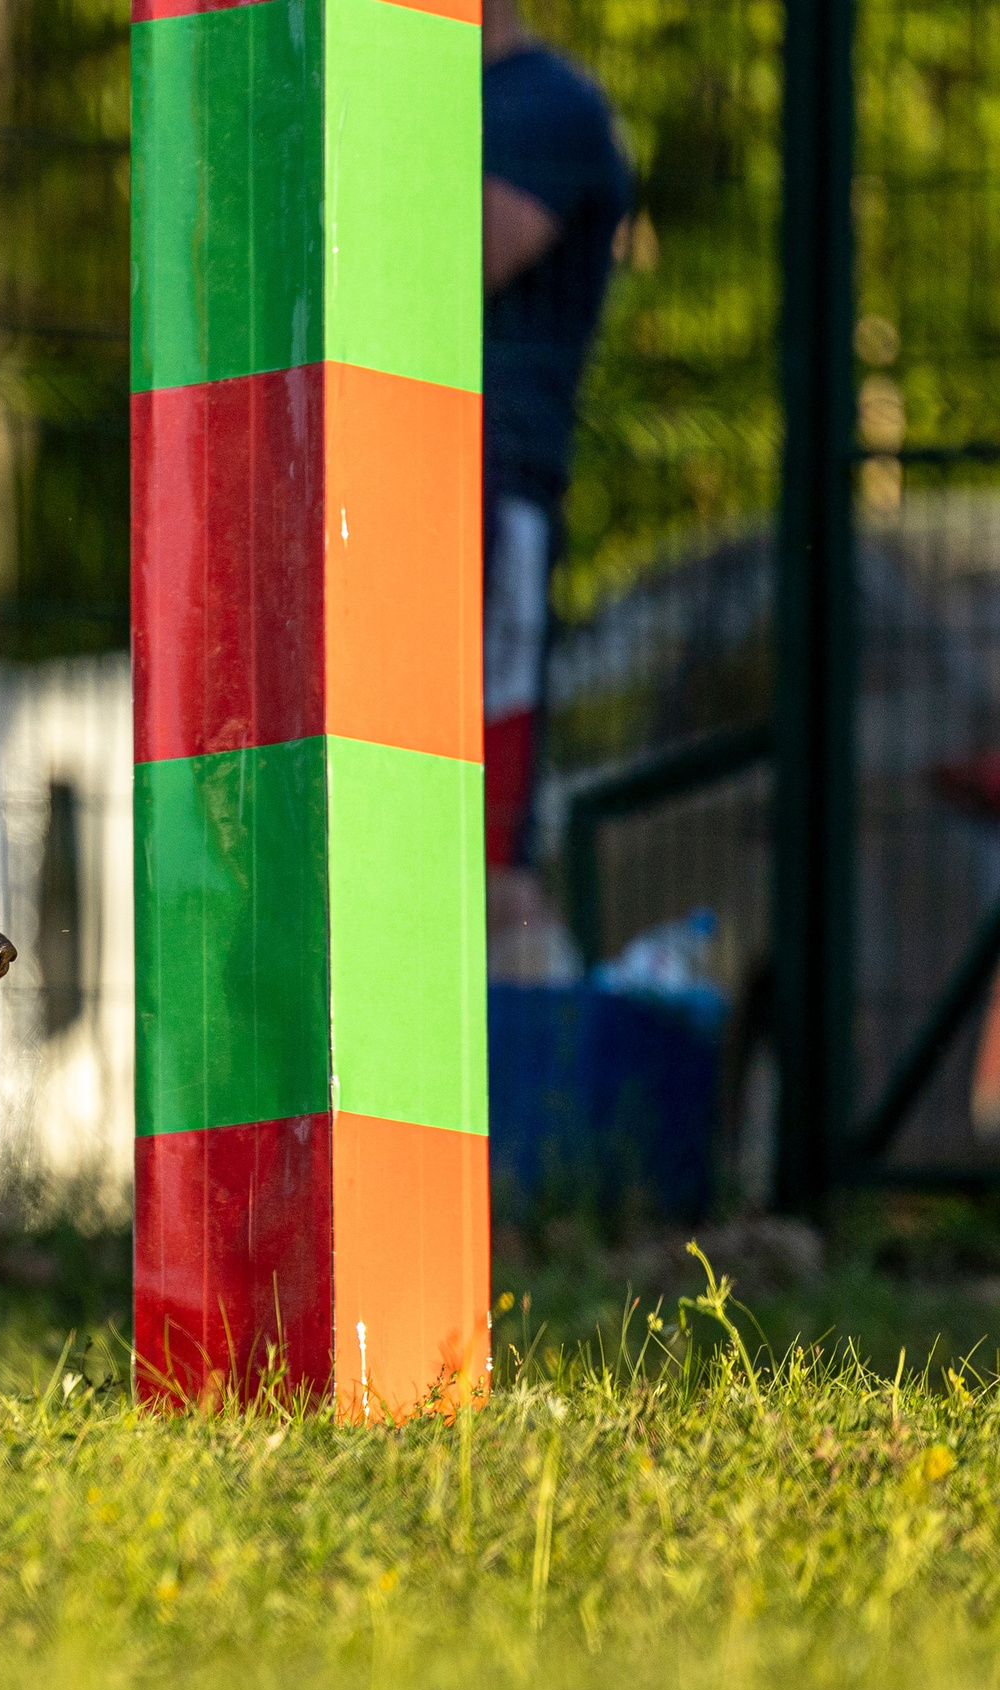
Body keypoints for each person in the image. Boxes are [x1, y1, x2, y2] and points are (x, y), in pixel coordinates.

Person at [481, 0, 631, 978]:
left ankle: (548, 1112)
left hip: (491, 492)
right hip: (390, 493)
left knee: (490, 851)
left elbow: (442, 260)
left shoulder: (550, 105)